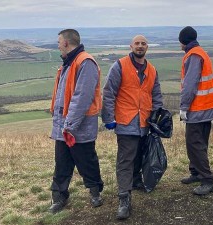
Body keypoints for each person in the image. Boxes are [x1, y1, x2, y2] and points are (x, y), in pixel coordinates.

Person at [102, 35, 163, 220]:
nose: (140, 46)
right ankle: (124, 198)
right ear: (131, 46)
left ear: (147, 47)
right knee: (125, 160)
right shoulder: (119, 66)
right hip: (126, 121)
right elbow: (109, 92)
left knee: (140, 156)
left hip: (145, 123)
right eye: (137, 43)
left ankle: (136, 182)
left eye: (143, 43)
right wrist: (109, 117)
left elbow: (156, 95)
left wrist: (157, 118)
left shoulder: (152, 70)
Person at [49, 29, 104, 213]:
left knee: (86, 160)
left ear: (66, 43)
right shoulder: (68, 63)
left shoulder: (85, 62)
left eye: (59, 42)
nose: (58, 46)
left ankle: (95, 192)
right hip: (63, 126)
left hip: (78, 126)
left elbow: (82, 97)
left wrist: (70, 125)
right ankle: (59, 197)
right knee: (62, 163)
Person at [178, 26, 213, 195]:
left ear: (183, 41)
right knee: (199, 142)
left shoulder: (193, 55)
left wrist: (183, 107)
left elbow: (190, 84)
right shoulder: (199, 52)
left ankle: (207, 179)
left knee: (194, 144)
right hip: (206, 106)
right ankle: (196, 172)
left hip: (198, 108)